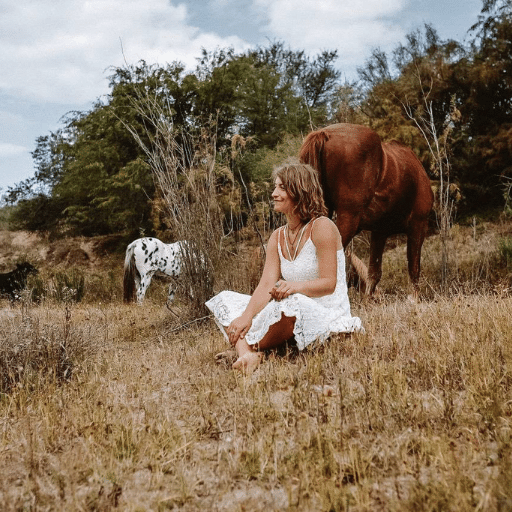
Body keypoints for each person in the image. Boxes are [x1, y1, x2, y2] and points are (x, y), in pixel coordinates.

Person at [205, 159, 363, 373]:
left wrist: (293, 287)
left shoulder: (322, 227)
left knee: (293, 303)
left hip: (325, 311)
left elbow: (329, 284)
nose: (274, 193)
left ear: (300, 191)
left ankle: (247, 348)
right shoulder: (277, 237)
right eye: (275, 187)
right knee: (225, 300)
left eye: (282, 187)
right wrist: (246, 317)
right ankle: (248, 356)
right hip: (289, 307)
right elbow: (265, 285)